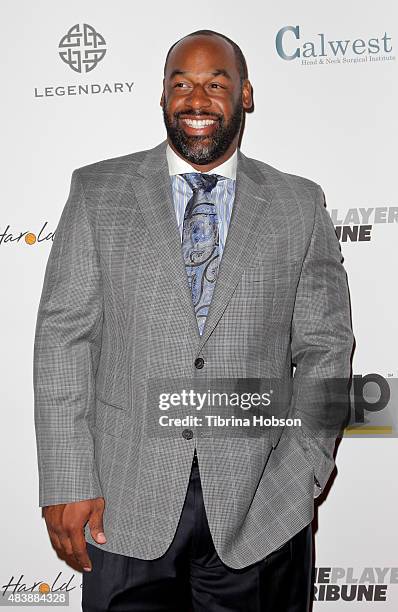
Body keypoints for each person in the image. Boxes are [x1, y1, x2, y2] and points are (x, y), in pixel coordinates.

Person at [33, 29, 354, 611]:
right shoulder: (98, 191)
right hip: (125, 504)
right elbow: (63, 338)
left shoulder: (298, 204)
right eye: (180, 83)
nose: (196, 99)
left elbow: (326, 348)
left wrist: (305, 471)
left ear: (245, 95)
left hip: (261, 508)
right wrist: (67, 477)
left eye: (215, 83)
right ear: (162, 95)